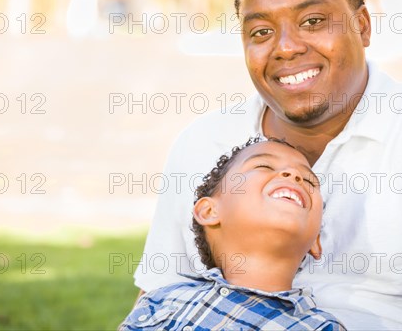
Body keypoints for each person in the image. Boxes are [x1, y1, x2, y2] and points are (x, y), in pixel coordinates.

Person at [134, 0, 402, 330]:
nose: (286, 47)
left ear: (362, 26)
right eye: (260, 32)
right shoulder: (203, 142)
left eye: (312, 21)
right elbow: (156, 301)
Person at [121, 137, 346, 330]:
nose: (294, 174)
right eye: (264, 166)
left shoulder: (320, 327)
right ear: (209, 211)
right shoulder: (161, 301)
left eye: (308, 180)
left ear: (316, 241)